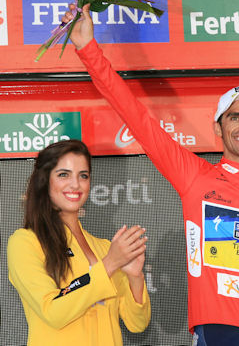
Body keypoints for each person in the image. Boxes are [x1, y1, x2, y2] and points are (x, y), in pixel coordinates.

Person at [62, 4, 239, 346]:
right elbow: (136, 116)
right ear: (218, 128)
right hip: (212, 333)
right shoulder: (195, 176)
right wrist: (88, 48)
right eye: (234, 117)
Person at [7, 140, 151, 346]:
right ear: (44, 181)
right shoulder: (25, 242)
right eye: (63, 174)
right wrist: (110, 264)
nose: (75, 184)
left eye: (83, 175)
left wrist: (135, 276)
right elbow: (53, 312)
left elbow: (137, 324)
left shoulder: (104, 247)